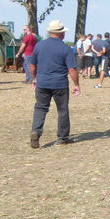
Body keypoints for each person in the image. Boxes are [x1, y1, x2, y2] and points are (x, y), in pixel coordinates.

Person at [29, 20, 81, 148]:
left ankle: (36, 131)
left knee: (40, 108)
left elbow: (33, 65)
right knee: (62, 110)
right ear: (62, 33)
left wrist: (34, 78)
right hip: (60, 84)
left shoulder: (39, 46)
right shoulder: (66, 48)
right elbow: (72, 69)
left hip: (42, 83)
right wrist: (76, 84)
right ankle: (63, 137)